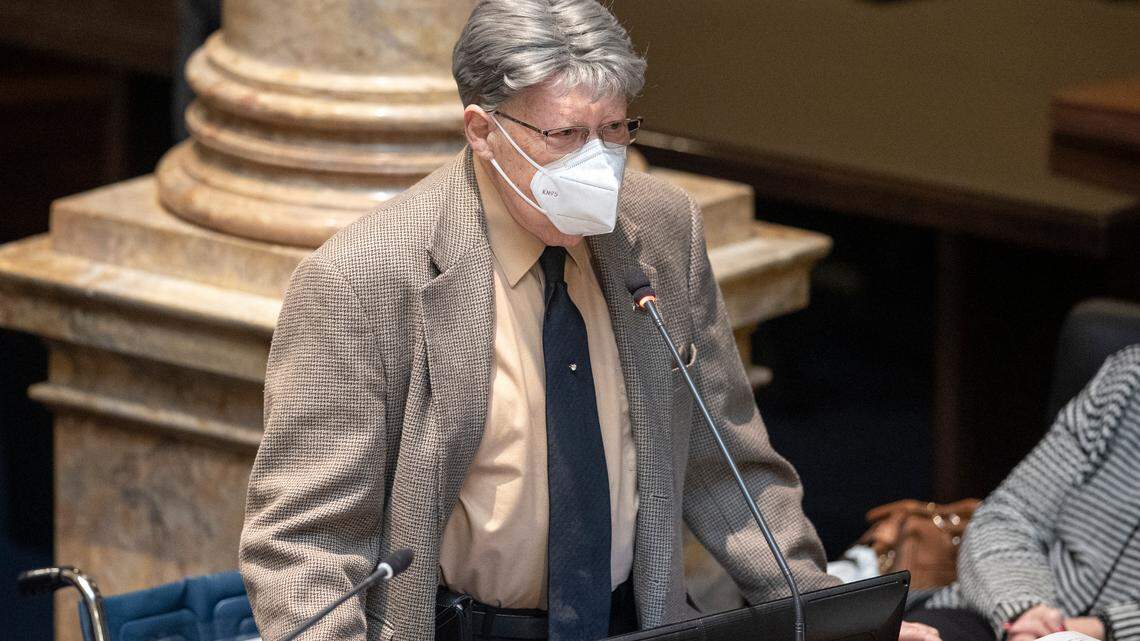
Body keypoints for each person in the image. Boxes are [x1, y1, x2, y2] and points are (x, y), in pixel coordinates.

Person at [238, 2, 940, 641]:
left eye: (613, 131)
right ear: (482, 130)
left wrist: (831, 621)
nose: (598, 164)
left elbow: (728, 468)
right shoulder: (361, 281)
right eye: (566, 134)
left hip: (637, 620)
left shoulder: (660, 230)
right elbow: (306, 546)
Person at [911, 345, 1140, 641]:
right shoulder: (1130, 376)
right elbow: (1007, 516)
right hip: (1003, 611)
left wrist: (1101, 627)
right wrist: (1026, 611)